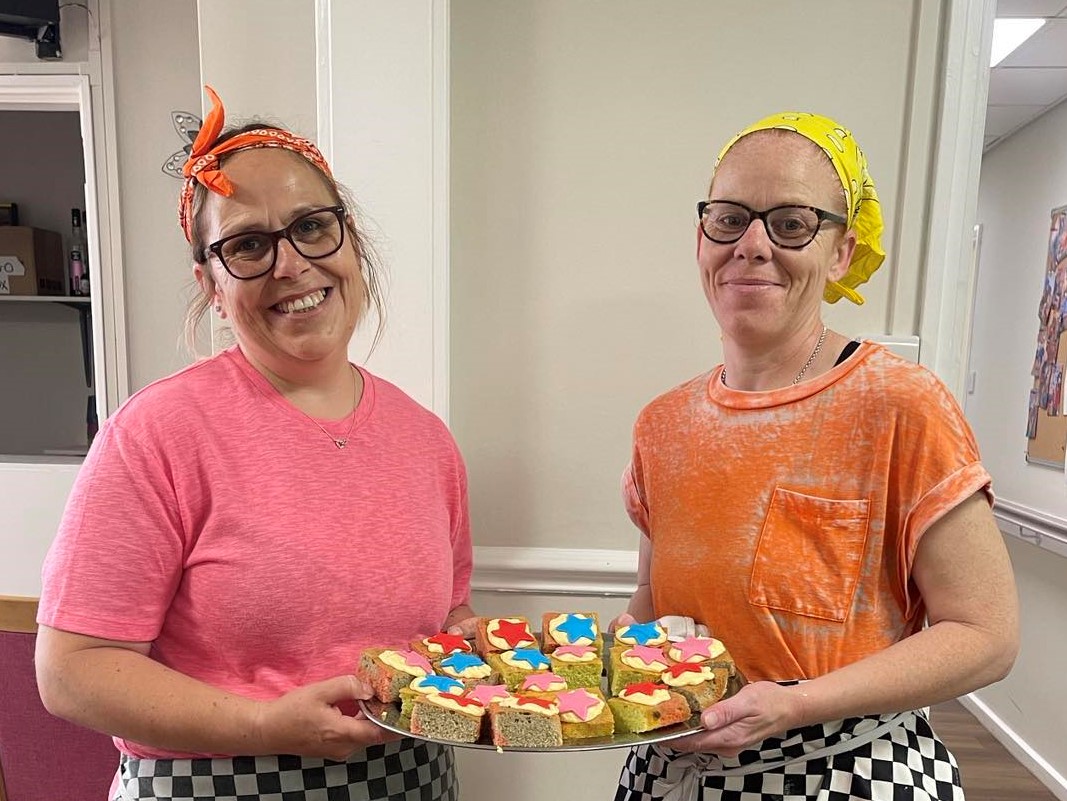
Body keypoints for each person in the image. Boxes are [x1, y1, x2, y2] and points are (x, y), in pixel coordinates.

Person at [34, 86, 475, 801]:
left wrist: (474, 651)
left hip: (409, 781)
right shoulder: (157, 434)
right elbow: (72, 670)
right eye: (246, 245)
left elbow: (446, 617)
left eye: (311, 226)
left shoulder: (425, 440)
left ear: (349, 239)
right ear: (210, 281)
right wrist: (265, 722)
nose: (291, 264)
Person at [613, 112, 1019, 801]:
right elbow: (654, 603)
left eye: (791, 223)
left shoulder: (898, 405)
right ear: (700, 236)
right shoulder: (664, 424)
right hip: (672, 770)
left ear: (839, 252)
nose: (751, 244)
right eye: (728, 217)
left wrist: (795, 702)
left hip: (846, 770)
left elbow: (985, 634)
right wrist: (605, 657)